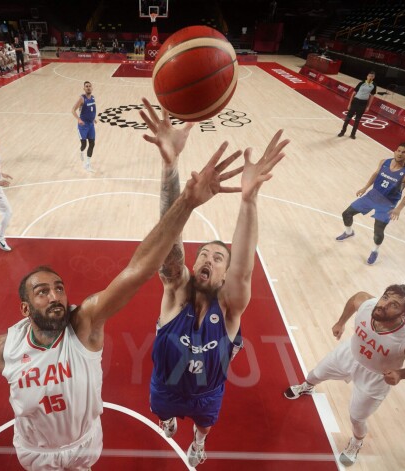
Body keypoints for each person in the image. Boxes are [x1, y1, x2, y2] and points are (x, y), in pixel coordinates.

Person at [0, 133, 245, 471]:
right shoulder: (2, 350)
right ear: (25, 308)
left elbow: (140, 267)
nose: (55, 296)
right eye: (42, 291)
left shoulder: (85, 324)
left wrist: (185, 199)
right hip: (36, 452)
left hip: (84, 443)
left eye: (59, 288)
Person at [139, 98, 290, 467]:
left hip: (208, 392)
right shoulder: (176, 291)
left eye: (217, 257)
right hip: (166, 388)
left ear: (224, 275)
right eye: (204, 254)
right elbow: (167, 241)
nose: (207, 258)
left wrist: (249, 200)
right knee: (161, 413)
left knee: (206, 425)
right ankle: (170, 419)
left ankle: (199, 442)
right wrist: (170, 166)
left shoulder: (230, 306)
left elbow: (244, 270)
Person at [284, 285, 405, 466]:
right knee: (315, 374)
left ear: (404, 314)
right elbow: (356, 297)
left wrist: (402, 374)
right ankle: (307, 387)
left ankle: (356, 442)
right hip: (349, 354)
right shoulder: (368, 305)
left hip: (376, 377)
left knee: (357, 417)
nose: (384, 305)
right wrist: (341, 322)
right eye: (385, 297)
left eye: (394, 305)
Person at [335, 142, 405, 265]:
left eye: (404, 152)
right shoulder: (384, 162)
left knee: (378, 231)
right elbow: (375, 174)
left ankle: (375, 251)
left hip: (387, 204)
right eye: (399, 151)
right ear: (395, 151)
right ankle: (348, 232)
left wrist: (399, 209)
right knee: (346, 213)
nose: (400, 154)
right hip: (372, 196)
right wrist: (365, 187)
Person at [338, 71, 377, 139]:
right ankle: (342, 132)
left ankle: (353, 134)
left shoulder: (374, 85)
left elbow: (371, 97)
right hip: (355, 101)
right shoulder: (361, 83)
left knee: (357, 120)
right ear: (367, 76)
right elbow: (353, 93)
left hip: (363, 103)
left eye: (372, 76)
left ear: (374, 77)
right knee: (347, 119)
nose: (370, 77)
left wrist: (368, 106)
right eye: (369, 76)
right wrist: (350, 104)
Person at [72, 81, 97, 172]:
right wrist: (78, 119)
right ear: (84, 88)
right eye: (86, 86)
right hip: (83, 125)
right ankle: (81, 151)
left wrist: (93, 119)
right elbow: (73, 110)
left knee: (92, 143)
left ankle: (87, 164)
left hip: (91, 125)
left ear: (92, 88)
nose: (88, 87)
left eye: (90, 86)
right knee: (84, 144)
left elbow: (92, 110)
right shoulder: (82, 99)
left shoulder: (93, 98)